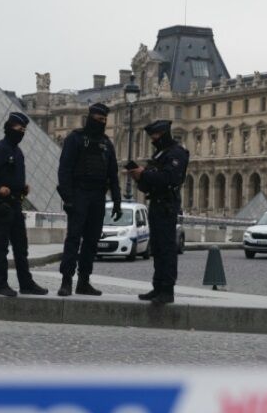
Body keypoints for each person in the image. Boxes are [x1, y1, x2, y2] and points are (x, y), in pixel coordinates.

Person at [0, 112, 48, 297]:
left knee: (21, 247)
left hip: (16, 204)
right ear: (9, 127)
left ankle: (26, 283)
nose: (22, 132)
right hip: (3, 206)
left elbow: (12, 176)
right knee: (2, 246)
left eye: (24, 130)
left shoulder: (17, 151)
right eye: (19, 129)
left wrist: (23, 188)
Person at [56, 102, 122, 297]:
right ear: (90, 117)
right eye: (99, 119)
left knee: (92, 241)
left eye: (104, 120)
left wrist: (117, 201)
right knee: (73, 239)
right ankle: (66, 280)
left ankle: (84, 280)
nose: (101, 122)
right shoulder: (75, 139)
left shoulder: (106, 144)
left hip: (98, 196)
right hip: (79, 194)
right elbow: (64, 170)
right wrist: (68, 198)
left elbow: (113, 175)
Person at [127, 120, 189, 305]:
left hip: (167, 204)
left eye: (155, 136)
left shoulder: (177, 153)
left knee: (167, 248)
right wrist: (139, 177)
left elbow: (169, 178)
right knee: (157, 247)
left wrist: (144, 174)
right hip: (156, 203)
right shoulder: (160, 154)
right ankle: (157, 286)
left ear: (163, 133)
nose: (153, 139)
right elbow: (148, 185)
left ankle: (167, 290)